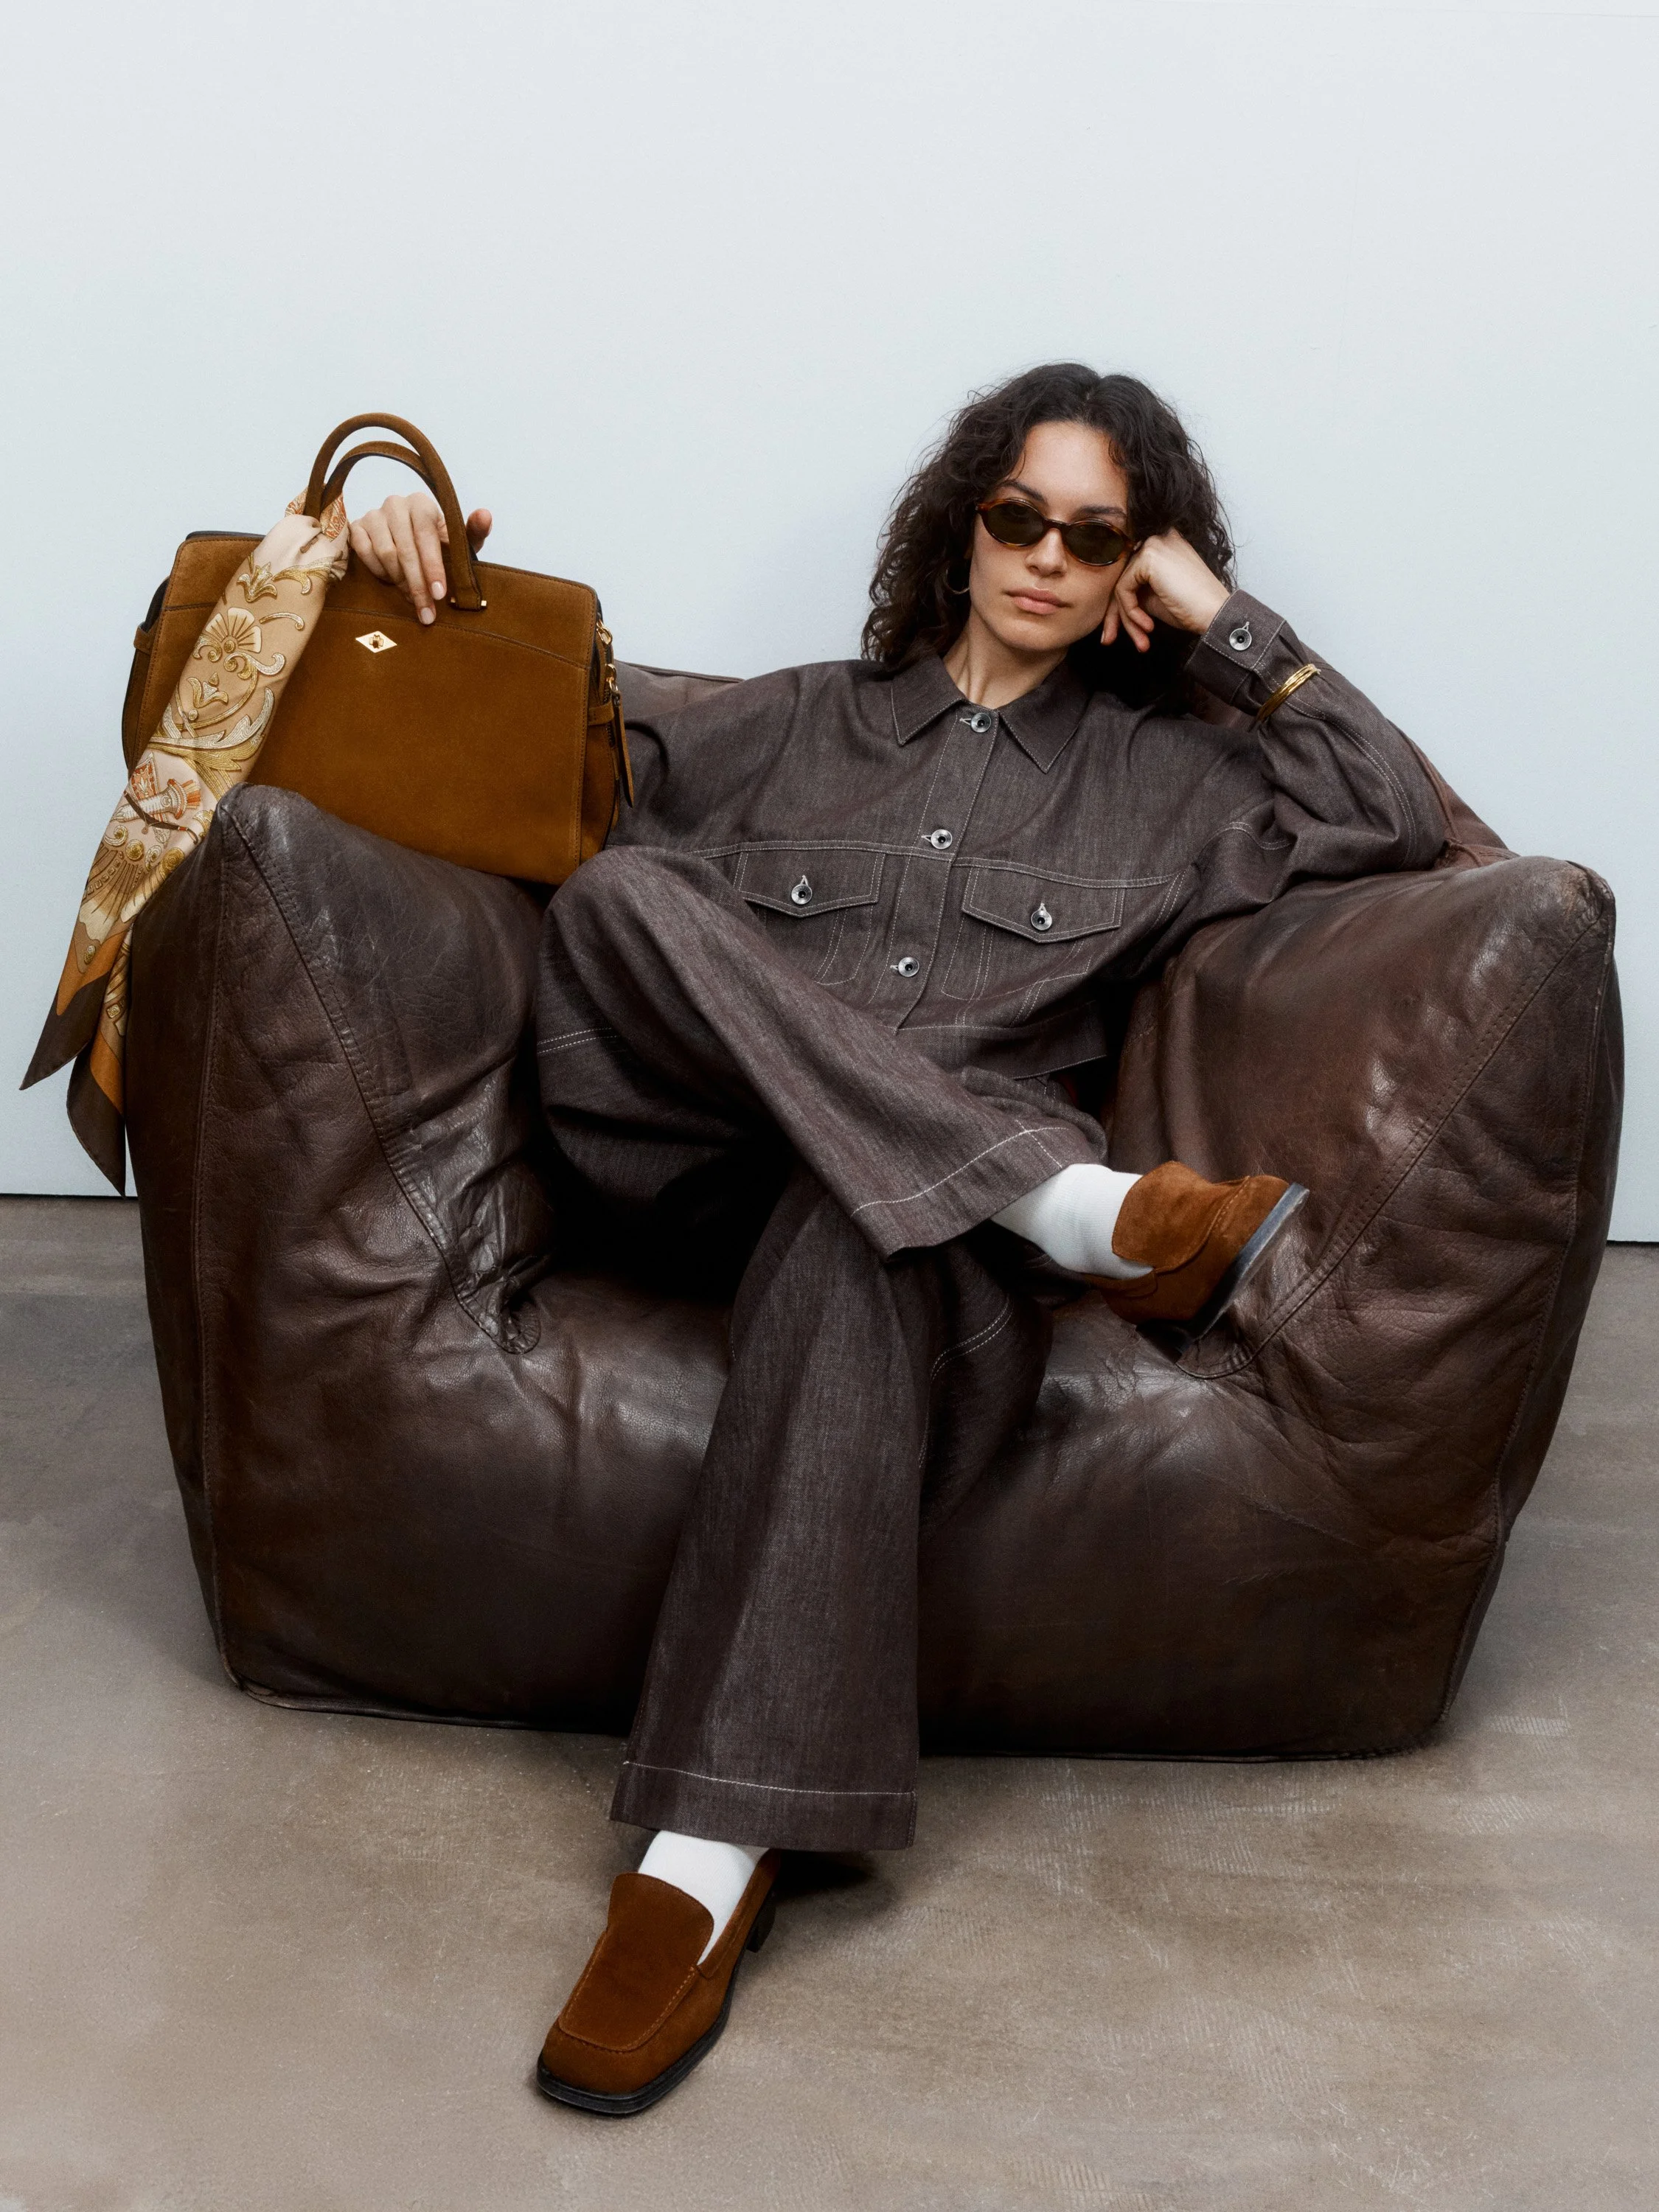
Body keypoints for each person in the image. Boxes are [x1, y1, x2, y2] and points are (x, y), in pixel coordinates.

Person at [349, 362, 1447, 2115]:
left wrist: (1227, 623)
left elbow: (1392, 812)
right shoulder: (774, 726)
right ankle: (1075, 1211)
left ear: (1129, 577)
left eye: (1097, 541)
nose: (1046, 558)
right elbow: (474, 756)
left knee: (857, 1234)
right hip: (691, 1170)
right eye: (1020, 517)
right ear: (962, 526)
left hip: (921, 1271)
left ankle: (704, 1856)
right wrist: (363, 553)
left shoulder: (1168, 781)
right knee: (631, 898)